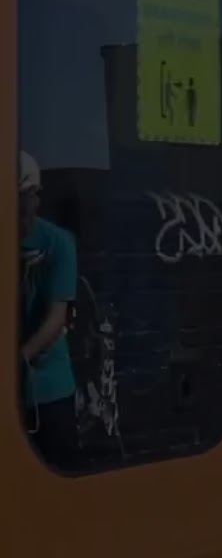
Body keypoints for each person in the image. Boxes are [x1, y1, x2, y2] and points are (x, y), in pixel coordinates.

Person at [17, 151, 79, 467]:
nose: (22, 223)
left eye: (25, 211)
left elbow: (56, 319)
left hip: (48, 389)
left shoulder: (58, 243)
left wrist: (20, 358)